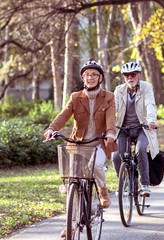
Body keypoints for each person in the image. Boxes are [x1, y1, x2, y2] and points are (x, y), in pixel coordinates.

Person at [44, 60, 118, 238]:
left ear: (100, 78)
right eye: (87, 75)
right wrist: (52, 129)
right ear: (83, 78)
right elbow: (63, 115)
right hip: (78, 145)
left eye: (94, 75)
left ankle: (102, 190)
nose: (90, 78)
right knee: (73, 182)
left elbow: (110, 119)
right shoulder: (76, 97)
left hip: (99, 143)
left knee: (98, 166)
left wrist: (110, 133)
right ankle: (70, 224)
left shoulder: (108, 97)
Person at [112, 61, 159, 196]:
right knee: (116, 155)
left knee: (140, 150)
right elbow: (112, 108)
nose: (130, 78)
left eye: (133, 74)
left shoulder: (146, 87)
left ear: (138, 75)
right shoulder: (119, 90)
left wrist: (151, 121)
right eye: (127, 75)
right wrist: (108, 123)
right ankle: (125, 182)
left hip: (142, 128)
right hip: (123, 129)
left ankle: (144, 184)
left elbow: (150, 104)